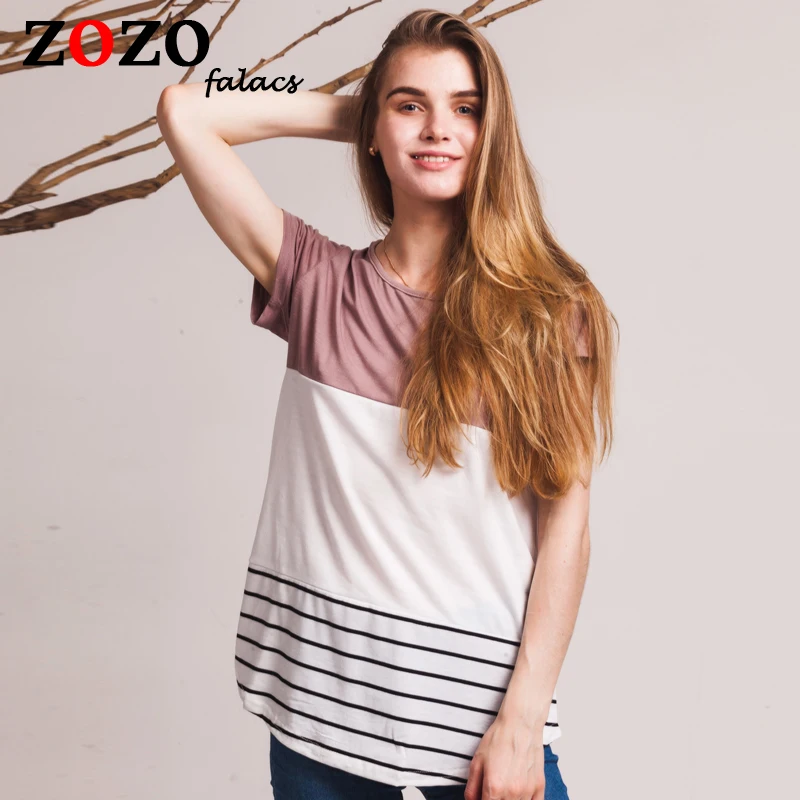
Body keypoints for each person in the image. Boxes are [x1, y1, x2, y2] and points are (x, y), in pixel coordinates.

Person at [156, 8, 617, 799]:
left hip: (479, 739)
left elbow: (565, 531)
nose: (438, 128)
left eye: (466, 109)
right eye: (412, 105)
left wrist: (522, 721)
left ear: (494, 131)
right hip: (317, 727)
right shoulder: (316, 283)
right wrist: (369, 115)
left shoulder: (548, 313)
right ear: (374, 127)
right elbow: (185, 110)